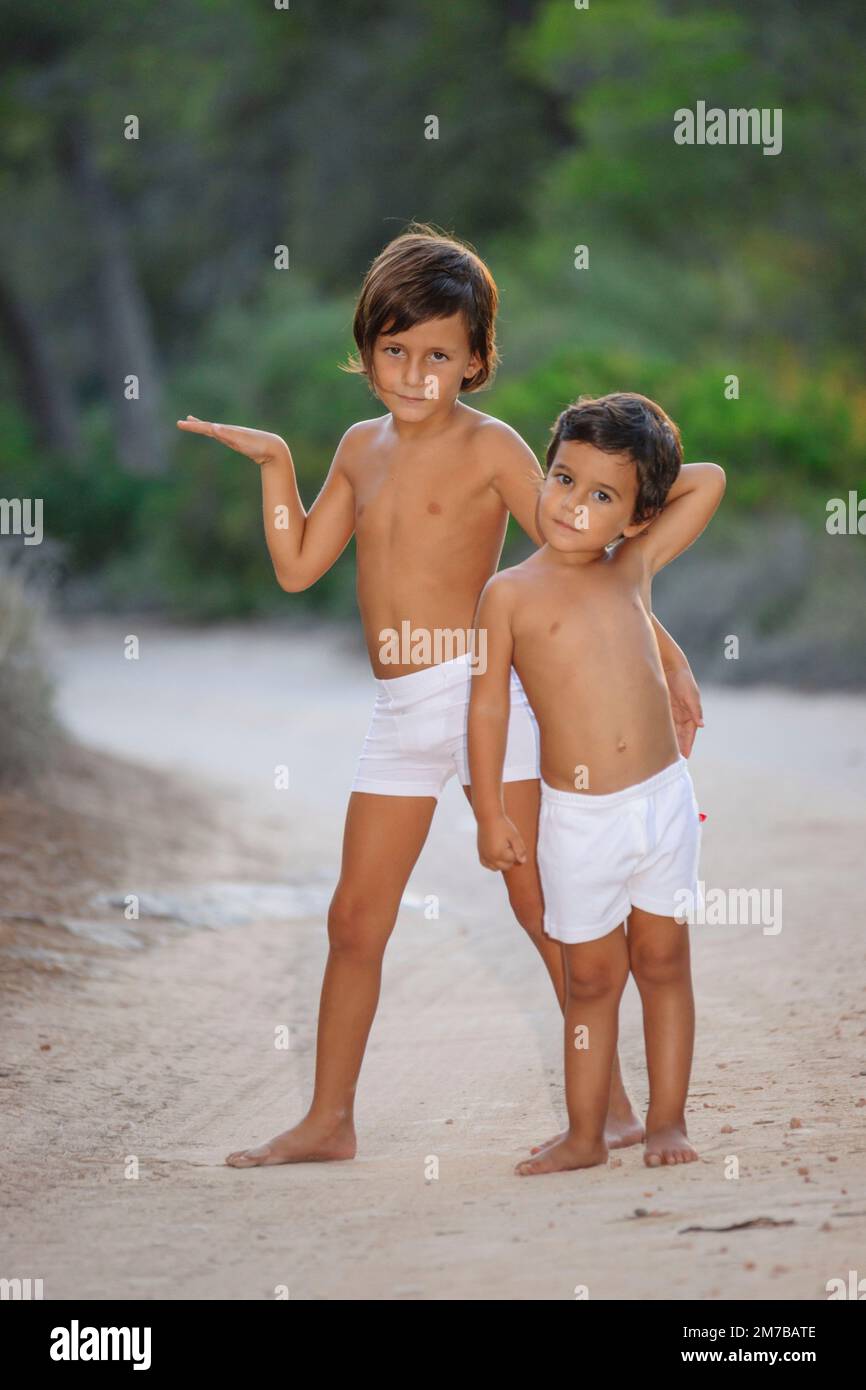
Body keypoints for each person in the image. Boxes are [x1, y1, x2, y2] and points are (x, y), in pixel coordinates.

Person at [176, 227, 704, 1167]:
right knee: (353, 918)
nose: (415, 374)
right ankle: (329, 1121)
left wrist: (665, 652)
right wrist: (275, 472)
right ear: (367, 347)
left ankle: (619, 1106)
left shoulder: (494, 448)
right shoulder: (356, 446)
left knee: (540, 907)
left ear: (475, 360)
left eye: (439, 355)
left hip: (482, 692)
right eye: (395, 350)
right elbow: (299, 567)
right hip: (400, 715)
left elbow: (580, 561)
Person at [466, 392, 726, 1174]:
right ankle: (587, 1135)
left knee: (665, 964)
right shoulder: (507, 594)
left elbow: (705, 479)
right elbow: (485, 712)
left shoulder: (632, 568)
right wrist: (489, 813)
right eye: (563, 479)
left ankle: (667, 1123)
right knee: (589, 979)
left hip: (662, 804)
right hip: (580, 819)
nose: (573, 505)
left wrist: (641, 499)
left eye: (601, 496)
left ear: (637, 519)